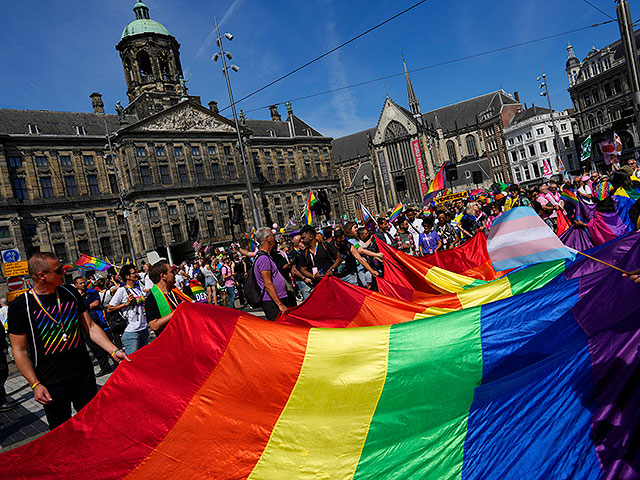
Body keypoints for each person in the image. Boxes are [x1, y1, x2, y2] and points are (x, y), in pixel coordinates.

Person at [8, 253, 129, 430]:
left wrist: (113, 350)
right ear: (42, 275)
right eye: (58, 270)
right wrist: (35, 384)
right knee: (62, 432)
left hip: (83, 374)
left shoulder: (69, 293)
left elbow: (90, 327)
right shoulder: (21, 306)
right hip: (51, 381)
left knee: (94, 424)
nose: (64, 273)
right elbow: (19, 350)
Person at [73, 276, 116, 377]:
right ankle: (105, 367)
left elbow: (96, 303)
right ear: (76, 285)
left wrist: (82, 308)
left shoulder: (92, 292)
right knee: (94, 348)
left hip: (97, 322)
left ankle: (117, 362)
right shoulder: (75, 296)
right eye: (80, 283)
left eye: (84, 282)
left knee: (107, 342)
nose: (83, 285)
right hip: (84, 325)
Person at [108, 265, 149, 355]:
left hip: (144, 328)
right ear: (127, 276)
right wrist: (125, 304)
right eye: (134, 273)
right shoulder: (122, 290)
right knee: (133, 360)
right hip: (131, 331)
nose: (137, 274)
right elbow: (109, 308)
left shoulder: (138, 289)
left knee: (144, 357)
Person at [144, 260, 193, 335]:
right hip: (170, 339)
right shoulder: (151, 299)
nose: (174, 274)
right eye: (171, 272)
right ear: (163, 276)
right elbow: (154, 326)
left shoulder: (175, 292)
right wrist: (176, 312)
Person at [253, 227, 290, 321]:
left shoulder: (265, 256)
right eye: (273, 236)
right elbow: (268, 283)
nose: (275, 238)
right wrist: (280, 304)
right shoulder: (263, 259)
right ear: (267, 239)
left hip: (278, 298)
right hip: (273, 302)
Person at [290, 234, 313, 301]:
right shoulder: (293, 253)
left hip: (311, 277)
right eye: (300, 240)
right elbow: (294, 270)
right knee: (308, 300)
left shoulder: (306, 250)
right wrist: (304, 278)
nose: (303, 241)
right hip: (302, 280)